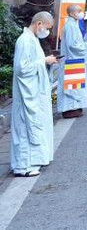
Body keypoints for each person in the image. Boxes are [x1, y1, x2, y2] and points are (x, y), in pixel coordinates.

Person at [11, 11, 58, 177]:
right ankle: (23, 166)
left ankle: (32, 162)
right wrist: (44, 61)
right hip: (27, 93)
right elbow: (22, 69)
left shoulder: (32, 39)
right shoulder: (25, 41)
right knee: (26, 127)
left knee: (34, 125)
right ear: (39, 24)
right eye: (46, 28)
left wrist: (45, 62)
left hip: (35, 91)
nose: (47, 32)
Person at [58, 5, 87, 118]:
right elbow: (73, 45)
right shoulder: (71, 26)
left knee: (75, 85)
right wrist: (86, 46)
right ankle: (70, 109)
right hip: (72, 59)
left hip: (74, 60)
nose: (81, 13)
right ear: (72, 14)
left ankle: (74, 107)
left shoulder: (72, 24)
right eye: (79, 11)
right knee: (72, 86)